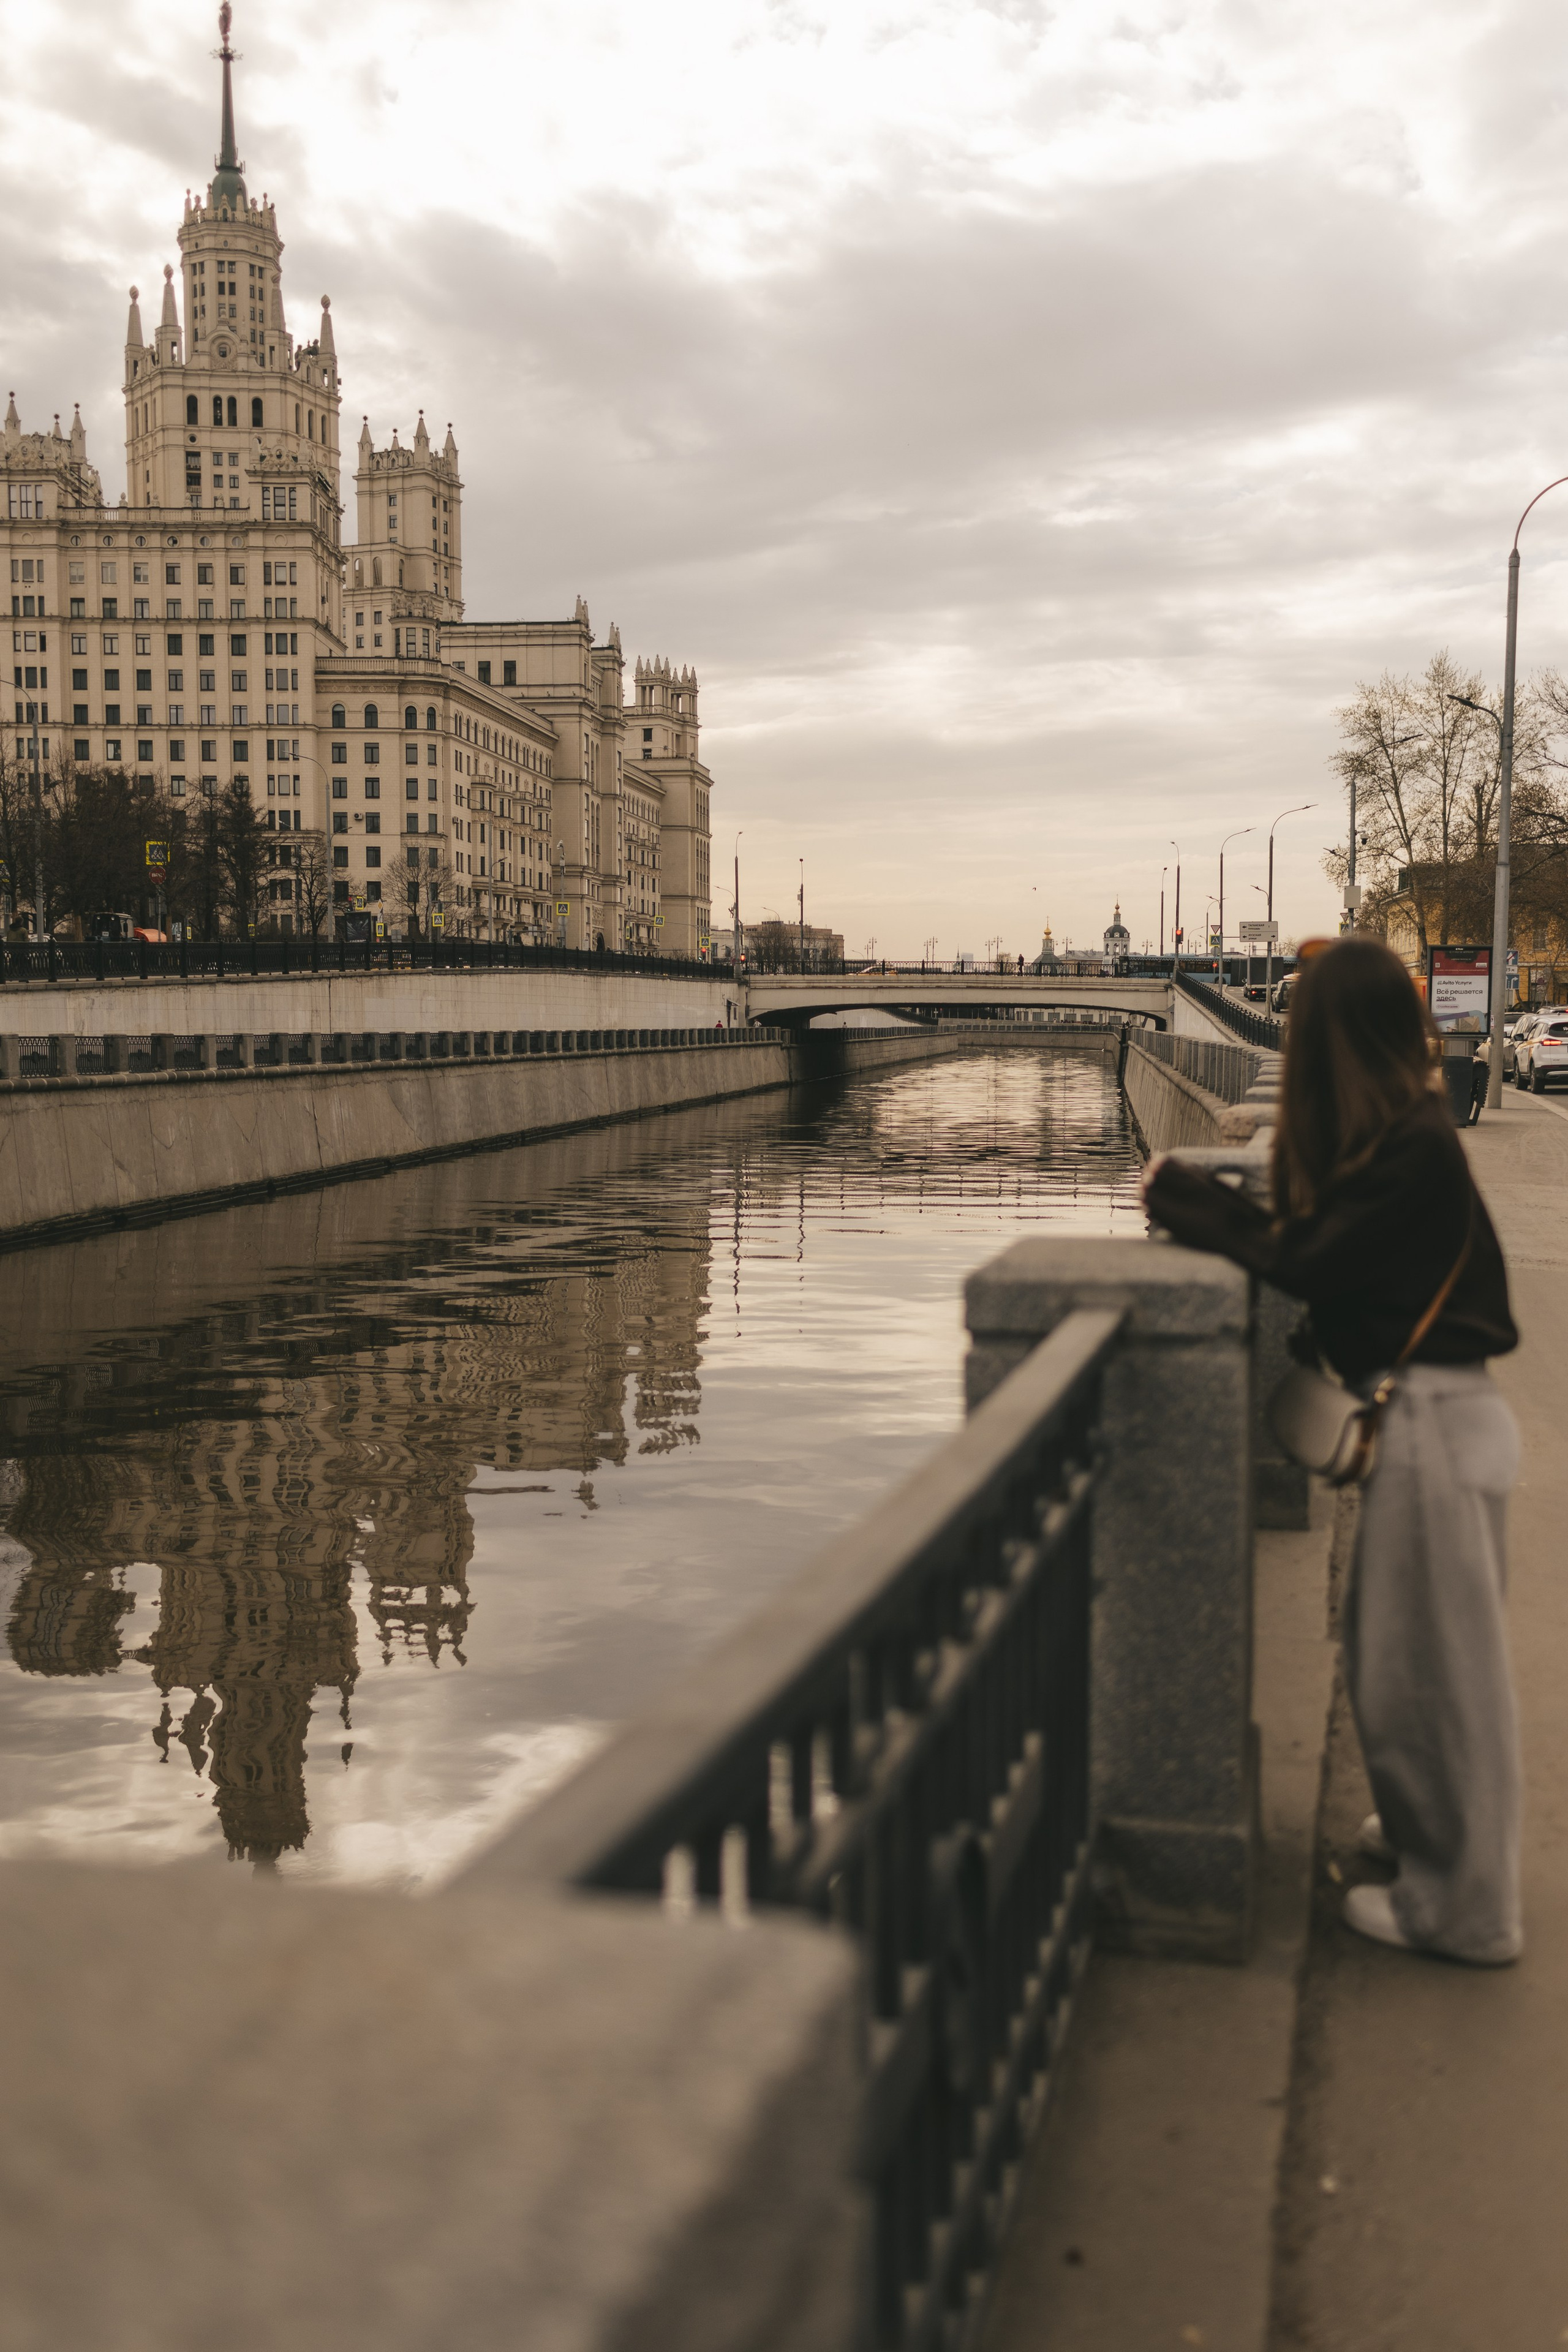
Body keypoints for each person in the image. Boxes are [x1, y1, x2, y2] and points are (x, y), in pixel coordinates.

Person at [1144, 935, 1523, 1964]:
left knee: (1439, 1675)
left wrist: (1179, 1192)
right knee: (1396, 1657)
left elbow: (1305, 1258)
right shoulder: (1399, 1131)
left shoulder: (1413, 1144)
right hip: (1430, 1423)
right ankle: (1421, 1836)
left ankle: (1469, 1909)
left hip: (1437, 1427)